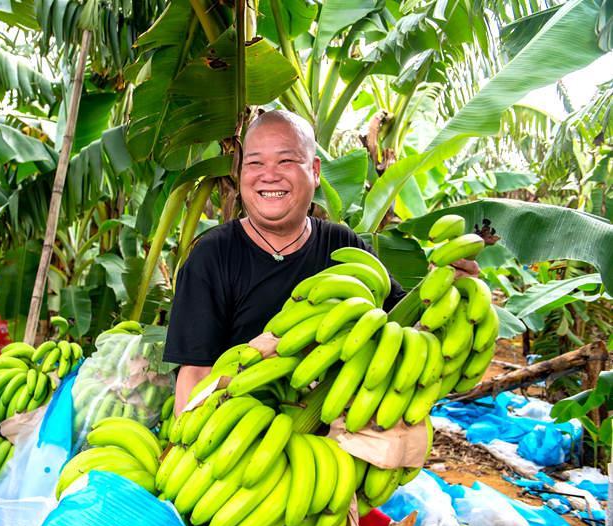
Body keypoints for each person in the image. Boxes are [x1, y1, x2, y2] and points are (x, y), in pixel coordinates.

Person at [164, 109, 475, 414]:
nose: (268, 175)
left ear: (314, 171)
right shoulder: (213, 254)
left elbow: (401, 325)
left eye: (285, 161)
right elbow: (195, 374)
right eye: (255, 163)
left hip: (336, 427)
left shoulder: (343, 247)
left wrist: (445, 287)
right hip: (239, 427)